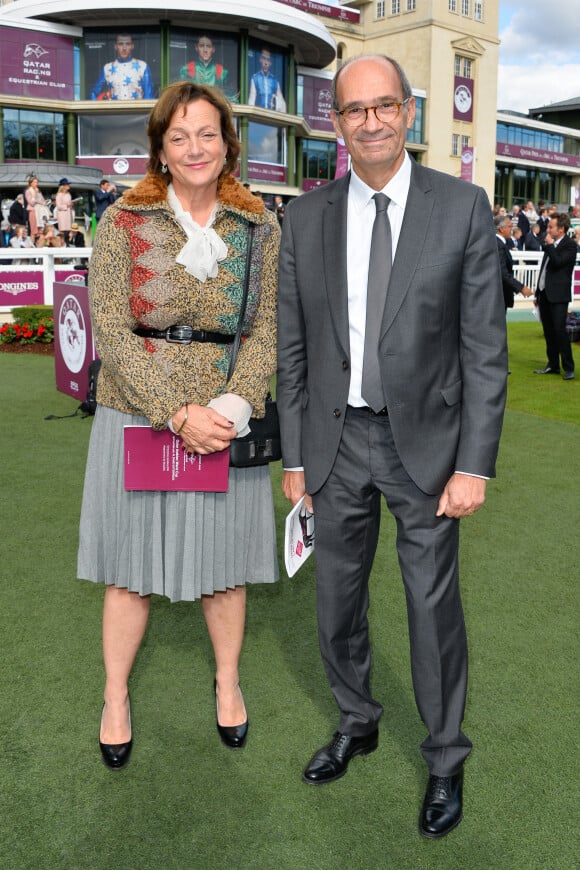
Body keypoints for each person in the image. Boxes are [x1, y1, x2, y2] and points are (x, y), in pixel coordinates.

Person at [277, 54, 507, 840]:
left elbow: (484, 351)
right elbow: (295, 350)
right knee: (336, 599)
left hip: (431, 448)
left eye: (383, 107)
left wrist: (474, 463)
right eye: (353, 110)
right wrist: (297, 458)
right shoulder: (304, 218)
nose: (369, 121)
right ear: (335, 123)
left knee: (430, 607)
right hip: (335, 445)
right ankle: (358, 719)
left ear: (408, 112)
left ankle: (445, 759)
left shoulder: (465, 208)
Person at [77, 81, 280, 771]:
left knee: (226, 570)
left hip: (225, 420)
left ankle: (227, 683)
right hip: (135, 413)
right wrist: (175, 410)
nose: (195, 148)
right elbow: (111, 325)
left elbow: (264, 329)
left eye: (207, 134)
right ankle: (115, 697)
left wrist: (229, 407)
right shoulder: (122, 223)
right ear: (160, 148)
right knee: (126, 570)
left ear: (228, 142)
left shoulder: (259, 228)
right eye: (179, 136)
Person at [533, 212, 576, 380]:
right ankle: (552, 364)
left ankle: (569, 367)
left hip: (558, 295)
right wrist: (538, 292)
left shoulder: (570, 245)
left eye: (551, 227)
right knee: (548, 331)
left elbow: (558, 263)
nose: (548, 229)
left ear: (561, 229)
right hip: (544, 294)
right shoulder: (549, 244)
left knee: (560, 331)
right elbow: (544, 268)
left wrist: (550, 246)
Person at [90, 33, 154, 101]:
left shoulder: (143, 66)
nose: (124, 48)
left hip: (137, 110)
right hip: (114, 110)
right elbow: (94, 93)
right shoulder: (107, 68)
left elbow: (149, 96)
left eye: (128, 44)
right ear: (116, 46)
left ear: (132, 46)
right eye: (120, 44)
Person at [494, 215, 532, 310]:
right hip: (499, 295)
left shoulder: (499, 243)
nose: (512, 229)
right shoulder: (498, 245)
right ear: (502, 229)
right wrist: (521, 287)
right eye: (510, 226)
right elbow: (502, 272)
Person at [248, 48, 286, 112]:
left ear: (270, 63)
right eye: (264, 58)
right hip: (258, 114)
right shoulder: (255, 78)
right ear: (260, 60)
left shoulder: (274, 81)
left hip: (271, 115)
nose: (266, 63)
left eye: (268, 60)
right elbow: (252, 98)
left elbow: (282, 102)